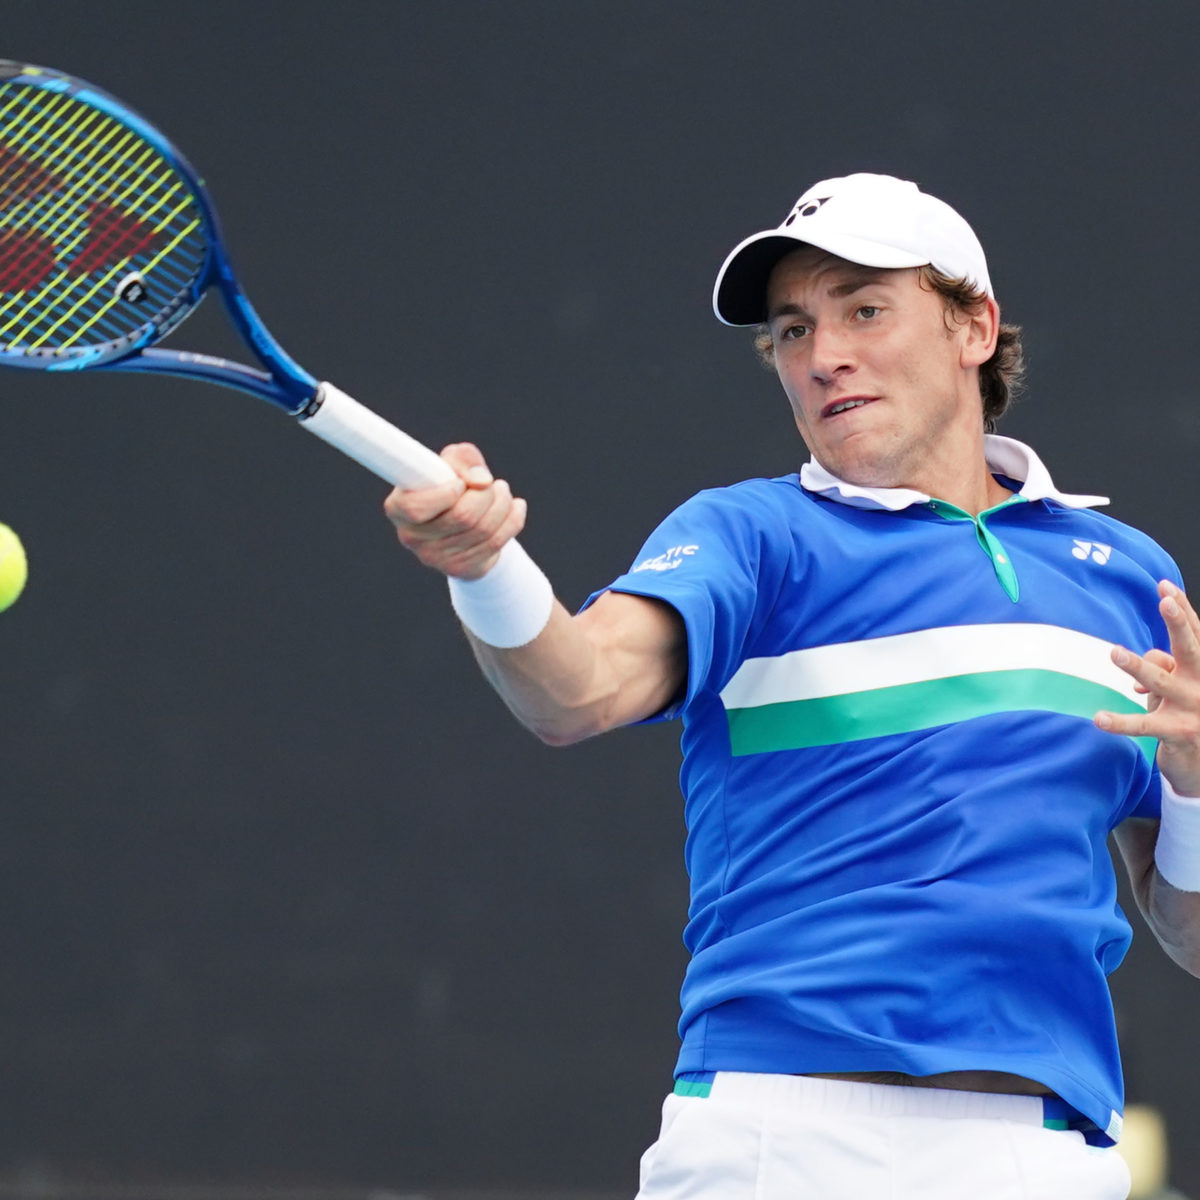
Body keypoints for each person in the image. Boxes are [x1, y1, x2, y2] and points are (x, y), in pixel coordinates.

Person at [383, 173, 1200, 1199]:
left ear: (975, 328)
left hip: (1040, 1149)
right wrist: (485, 569)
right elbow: (575, 690)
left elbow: (1188, 930)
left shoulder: (1127, 577)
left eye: (865, 310)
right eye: (792, 330)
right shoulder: (752, 536)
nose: (823, 356)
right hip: (777, 1137)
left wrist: (1195, 786)